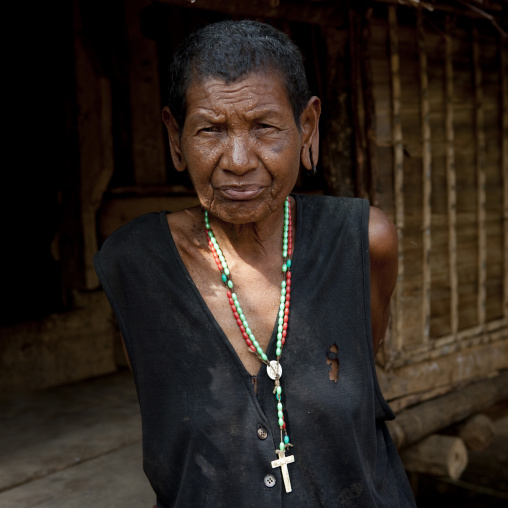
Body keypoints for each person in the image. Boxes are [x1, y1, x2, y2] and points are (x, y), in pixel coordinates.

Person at [94, 19, 416, 508]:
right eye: (211, 130)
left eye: (264, 126)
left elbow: (354, 360)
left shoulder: (365, 242)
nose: (239, 160)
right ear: (176, 137)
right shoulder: (134, 264)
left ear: (306, 126)